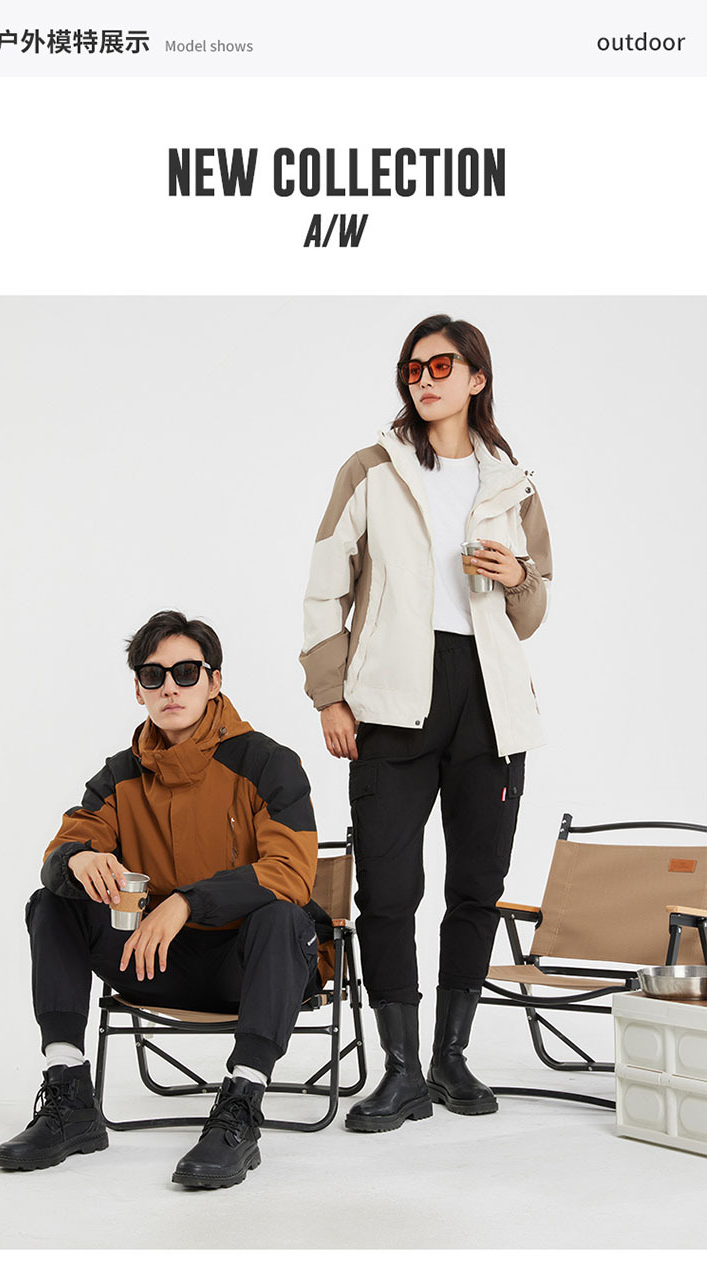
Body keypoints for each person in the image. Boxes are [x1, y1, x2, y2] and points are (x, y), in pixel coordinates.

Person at [300, 314, 552, 1132]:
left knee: (477, 884)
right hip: (391, 701)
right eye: (414, 367)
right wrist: (329, 693)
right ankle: (401, 1070)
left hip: (490, 701)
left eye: (442, 365)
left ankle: (450, 1055)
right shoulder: (372, 469)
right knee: (387, 888)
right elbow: (324, 589)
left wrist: (517, 574)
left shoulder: (512, 481)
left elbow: (532, 611)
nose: (425, 378)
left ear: (477, 377)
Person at [0, 610, 321, 1188]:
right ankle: (69, 1097)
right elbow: (65, 844)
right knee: (53, 900)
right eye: (154, 675)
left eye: (186, 672)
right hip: (152, 960)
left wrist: (187, 902)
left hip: (247, 969)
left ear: (214, 681)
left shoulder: (269, 763)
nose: (170, 687)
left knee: (282, 915)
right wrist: (77, 859)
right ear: (139, 689)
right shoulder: (120, 774)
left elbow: (291, 871)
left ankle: (241, 1107)